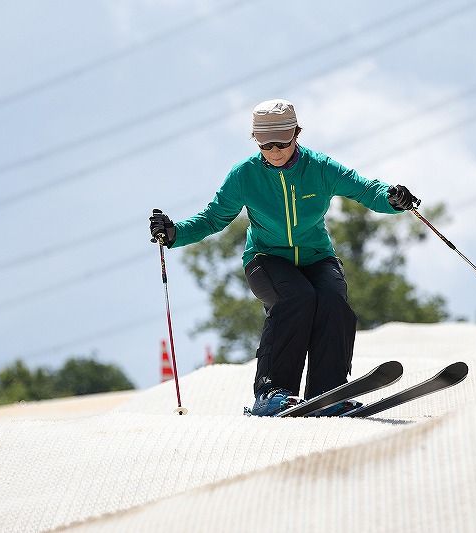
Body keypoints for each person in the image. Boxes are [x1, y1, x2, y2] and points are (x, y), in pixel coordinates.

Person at [149, 98, 419, 416]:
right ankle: (271, 392)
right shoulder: (244, 176)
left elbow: (365, 189)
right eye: (266, 144)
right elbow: (213, 219)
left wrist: (392, 198)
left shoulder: (319, 168)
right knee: (297, 297)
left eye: (282, 142)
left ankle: (327, 392)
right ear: (256, 141)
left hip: (316, 256)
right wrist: (175, 233)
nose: (275, 151)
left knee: (333, 300)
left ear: (296, 134)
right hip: (265, 258)